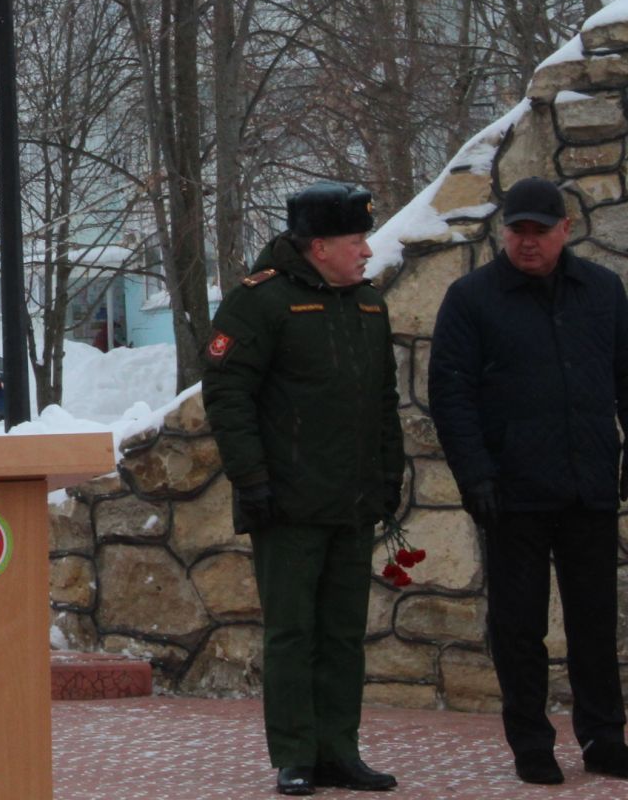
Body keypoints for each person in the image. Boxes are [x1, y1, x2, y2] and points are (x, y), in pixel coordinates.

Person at [202, 182, 404, 796]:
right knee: (293, 632)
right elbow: (227, 394)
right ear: (319, 246)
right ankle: (295, 754)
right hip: (287, 503)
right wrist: (253, 479)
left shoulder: (368, 305)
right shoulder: (259, 303)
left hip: (352, 501)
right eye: (355, 240)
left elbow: (383, 402)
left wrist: (388, 477)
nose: (367, 251)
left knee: (343, 633)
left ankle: (339, 749)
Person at [429, 176, 628, 787]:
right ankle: (532, 741)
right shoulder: (471, 298)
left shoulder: (603, 291)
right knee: (519, 626)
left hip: (588, 485)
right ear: (503, 231)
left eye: (541, 230)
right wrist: (476, 476)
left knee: (595, 619)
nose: (529, 242)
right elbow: (451, 396)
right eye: (518, 230)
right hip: (511, 494)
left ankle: (604, 736)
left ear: (566, 230)